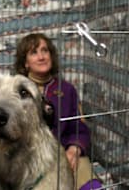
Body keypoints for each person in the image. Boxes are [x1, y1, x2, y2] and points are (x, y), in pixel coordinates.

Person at [14, 33, 102, 190]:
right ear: (25, 63)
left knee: (83, 169)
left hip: (61, 155)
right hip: (27, 158)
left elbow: (79, 128)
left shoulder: (67, 90)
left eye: (44, 50)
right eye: (34, 53)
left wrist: (74, 149)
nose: (41, 57)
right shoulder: (14, 90)